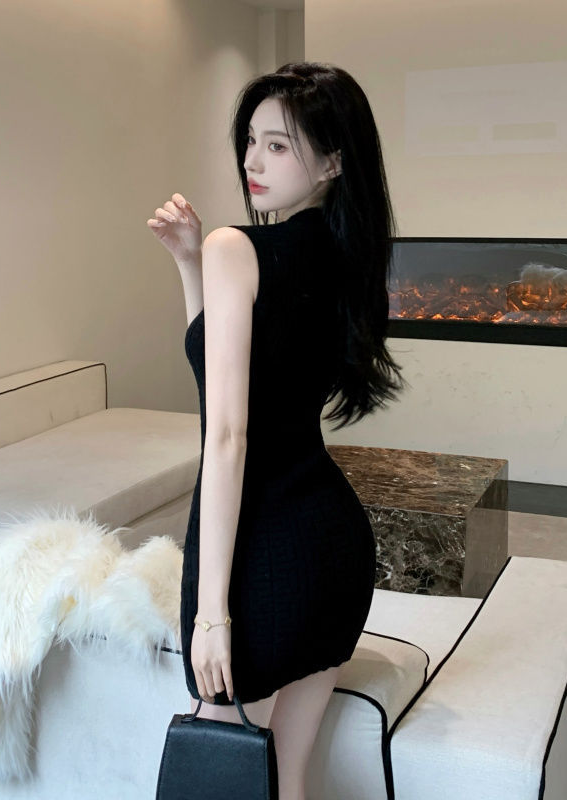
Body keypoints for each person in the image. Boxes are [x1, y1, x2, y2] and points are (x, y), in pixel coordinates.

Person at [146, 61, 407, 800]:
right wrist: (190, 264)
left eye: (279, 145)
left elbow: (227, 436)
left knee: (220, 774)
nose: (253, 162)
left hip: (266, 549)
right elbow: (234, 377)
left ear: (332, 161)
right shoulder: (348, 258)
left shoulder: (239, 249)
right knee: (285, 779)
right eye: (251, 141)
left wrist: (210, 615)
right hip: (333, 548)